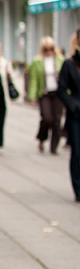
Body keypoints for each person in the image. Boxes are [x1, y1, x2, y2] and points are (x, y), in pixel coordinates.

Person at [27, 36, 64, 154]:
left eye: (51, 48)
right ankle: (42, 138)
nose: (49, 51)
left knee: (57, 120)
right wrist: (31, 96)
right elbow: (33, 79)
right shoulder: (37, 61)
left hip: (58, 93)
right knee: (47, 118)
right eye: (46, 49)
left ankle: (54, 147)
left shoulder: (60, 60)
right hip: (44, 93)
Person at [59, 29, 80, 201]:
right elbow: (62, 89)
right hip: (76, 115)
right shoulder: (69, 64)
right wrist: (73, 105)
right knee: (77, 152)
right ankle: (78, 189)